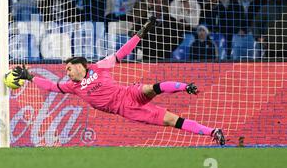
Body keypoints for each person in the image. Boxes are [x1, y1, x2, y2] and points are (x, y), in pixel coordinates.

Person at [13, 17, 226, 146]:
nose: (67, 72)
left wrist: (142, 32)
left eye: (69, 68)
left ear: (80, 65)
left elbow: (122, 52)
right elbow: (51, 86)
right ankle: (212, 132)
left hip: (128, 93)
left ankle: (185, 86)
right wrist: (29, 76)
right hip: (127, 110)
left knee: (153, 88)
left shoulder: (99, 66)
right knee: (173, 120)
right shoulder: (72, 86)